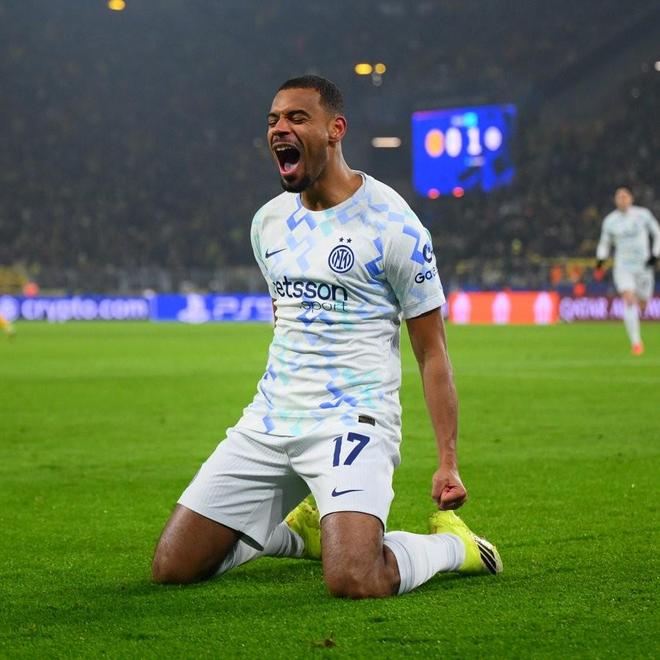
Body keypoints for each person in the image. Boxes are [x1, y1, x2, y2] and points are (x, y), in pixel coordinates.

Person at [152, 75, 502, 598]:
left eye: (297, 118)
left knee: (355, 578)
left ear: (336, 129)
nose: (280, 128)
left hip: (352, 419)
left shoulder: (394, 226)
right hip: (271, 419)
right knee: (173, 567)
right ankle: (304, 535)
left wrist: (447, 461)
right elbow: (285, 318)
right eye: (273, 119)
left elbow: (432, 354)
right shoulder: (268, 223)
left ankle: (454, 546)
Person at [595, 186, 660, 355]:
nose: (622, 200)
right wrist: (601, 260)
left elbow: (657, 233)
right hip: (623, 267)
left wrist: (655, 254)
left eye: (625, 196)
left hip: (643, 267)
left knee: (644, 302)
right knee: (629, 300)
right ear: (615, 200)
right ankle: (636, 343)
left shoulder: (643, 215)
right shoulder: (610, 221)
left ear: (631, 198)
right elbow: (604, 243)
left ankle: (642, 303)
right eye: (619, 197)